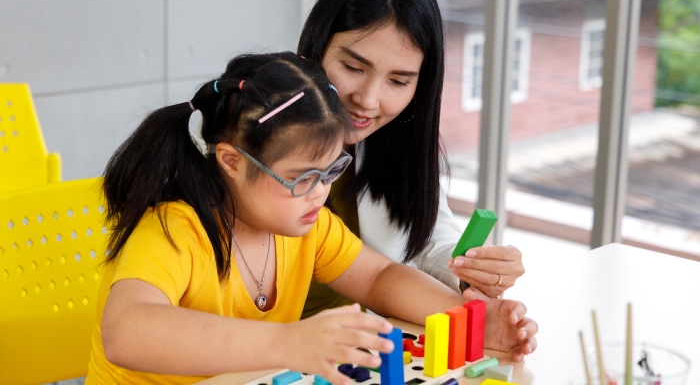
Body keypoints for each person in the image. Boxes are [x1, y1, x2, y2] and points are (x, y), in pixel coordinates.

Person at [85, 52, 537, 385]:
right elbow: (125, 332)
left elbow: (379, 278)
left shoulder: (306, 224)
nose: (321, 192)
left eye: (332, 170)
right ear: (232, 161)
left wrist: (472, 317)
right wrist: (290, 343)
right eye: (302, 177)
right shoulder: (175, 229)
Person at [297, 0, 525, 317]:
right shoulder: (256, 140)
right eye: (354, 68)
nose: (369, 100)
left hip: (364, 345)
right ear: (316, 49)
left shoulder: (395, 140)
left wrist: (473, 271)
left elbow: (427, 240)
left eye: (399, 81)